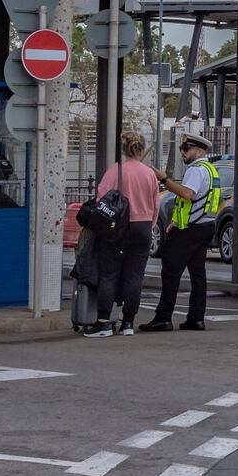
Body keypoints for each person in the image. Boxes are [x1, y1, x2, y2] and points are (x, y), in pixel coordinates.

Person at [85, 130, 163, 338]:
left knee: (109, 274)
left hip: (119, 228)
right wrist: (149, 224)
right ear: (142, 148)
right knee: (135, 276)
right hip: (144, 227)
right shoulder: (149, 174)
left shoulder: (116, 171)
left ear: (123, 149)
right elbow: (156, 205)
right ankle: (128, 322)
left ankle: (103, 323)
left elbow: (102, 197)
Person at [142, 133, 222, 333]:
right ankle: (196, 319)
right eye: (181, 149)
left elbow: (187, 194)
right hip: (204, 226)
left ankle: (163, 318)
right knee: (197, 273)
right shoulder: (210, 169)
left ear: (200, 151)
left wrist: (164, 179)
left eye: (186, 149)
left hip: (191, 230)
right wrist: (176, 221)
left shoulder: (196, 170)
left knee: (170, 271)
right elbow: (195, 203)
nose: (183, 153)